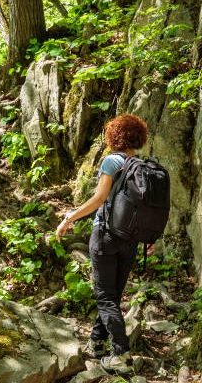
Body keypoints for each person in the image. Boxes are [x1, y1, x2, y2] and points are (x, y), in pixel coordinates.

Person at [54, 113, 155, 369]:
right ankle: (97, 342)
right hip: (130, 240)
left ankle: (121, 354)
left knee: (105, 297)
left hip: (106, 235)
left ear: (114, 136)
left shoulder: (112, 162)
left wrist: (69, 217)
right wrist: (150, 237)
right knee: (113, 295)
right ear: (138, 138)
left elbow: (99, 199)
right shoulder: (141, 167)